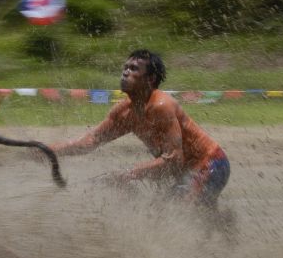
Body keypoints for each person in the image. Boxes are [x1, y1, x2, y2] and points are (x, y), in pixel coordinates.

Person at [48, 49, 230, 207]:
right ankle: (225, 225)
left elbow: (174, 158)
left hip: (210, 163)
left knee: (172, 212)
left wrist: (128, 174)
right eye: (125, 68)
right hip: (187, 172)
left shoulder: (161, 105)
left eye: (134, 69)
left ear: (150, 79)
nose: (125, 72)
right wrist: (44, 151)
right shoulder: (125, 112)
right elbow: (90, 141)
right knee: (190, 213)